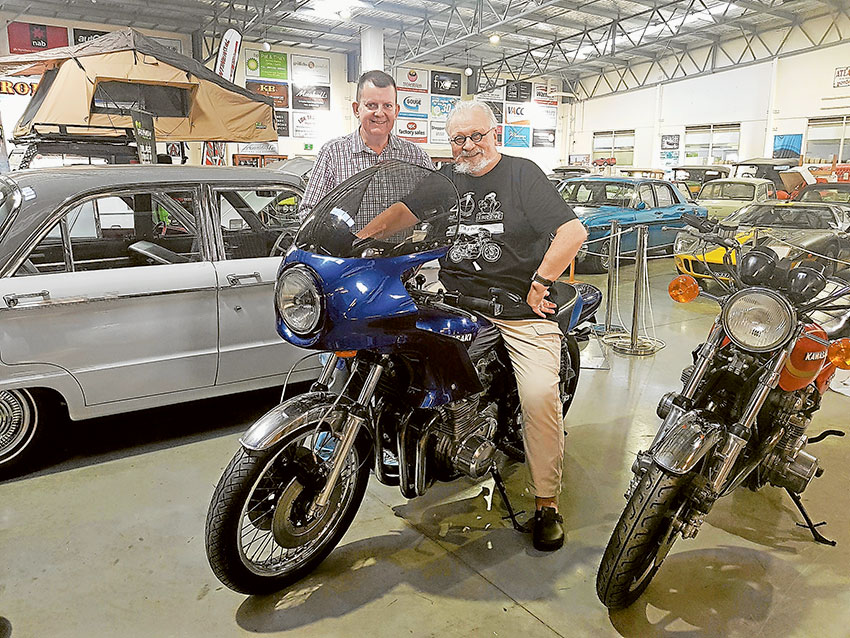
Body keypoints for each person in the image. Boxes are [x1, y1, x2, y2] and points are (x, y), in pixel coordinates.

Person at [360, 100, 586, 551]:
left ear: (495, 132)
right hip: (455, 300)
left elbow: (572, 232)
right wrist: (360, 237)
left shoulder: (523, 174)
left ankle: (546, 503)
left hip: (518, 306)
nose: (468, 146)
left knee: (539, 395)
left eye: (476, 135)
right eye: (458, 138)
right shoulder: (446, 181)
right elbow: (404, 211)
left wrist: (541, 281)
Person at [299, 70, 434, 222]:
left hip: (403, 246)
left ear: (396, 111)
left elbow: (436, 205)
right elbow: (308, 212)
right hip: (346, 246)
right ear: (357, 109)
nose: (379, 113)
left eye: (387, 106)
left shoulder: (416, 157)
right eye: (371, 105)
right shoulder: (332, 153)